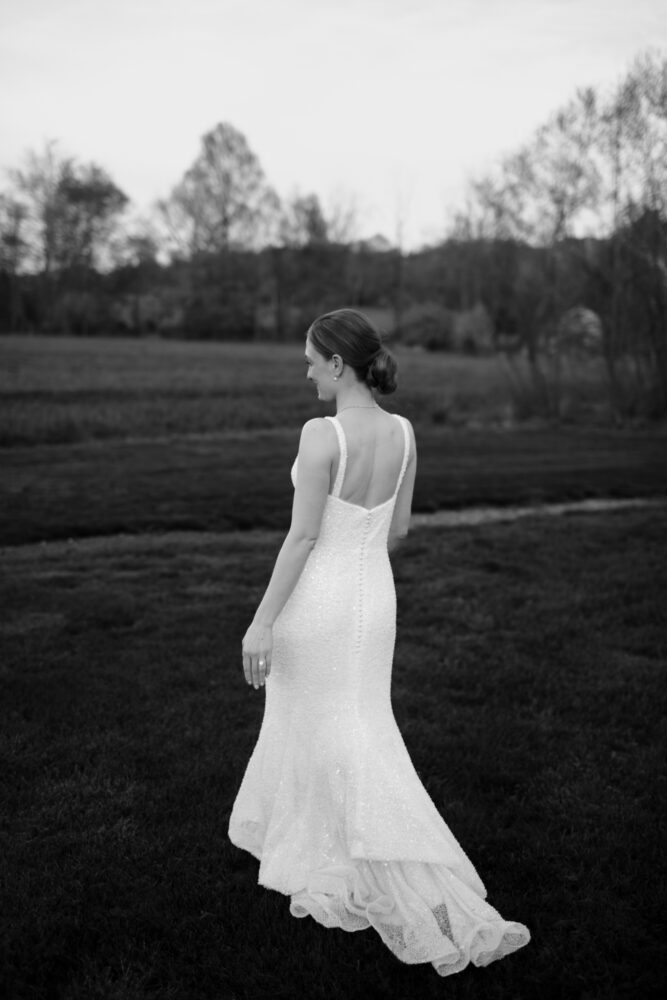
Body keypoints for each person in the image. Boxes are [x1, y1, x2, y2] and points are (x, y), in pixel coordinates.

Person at [228, 308, 530, 976]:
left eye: (311, 358)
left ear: (338, 364)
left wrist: (260, 621)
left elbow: (303, 537)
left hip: (319, 601)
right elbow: (397, 532)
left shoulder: (320, 433)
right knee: (361, 720)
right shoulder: (404, 431)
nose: (305, 369)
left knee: (315, 721)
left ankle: (339, 852)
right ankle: (357, 842)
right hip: (375, 601)